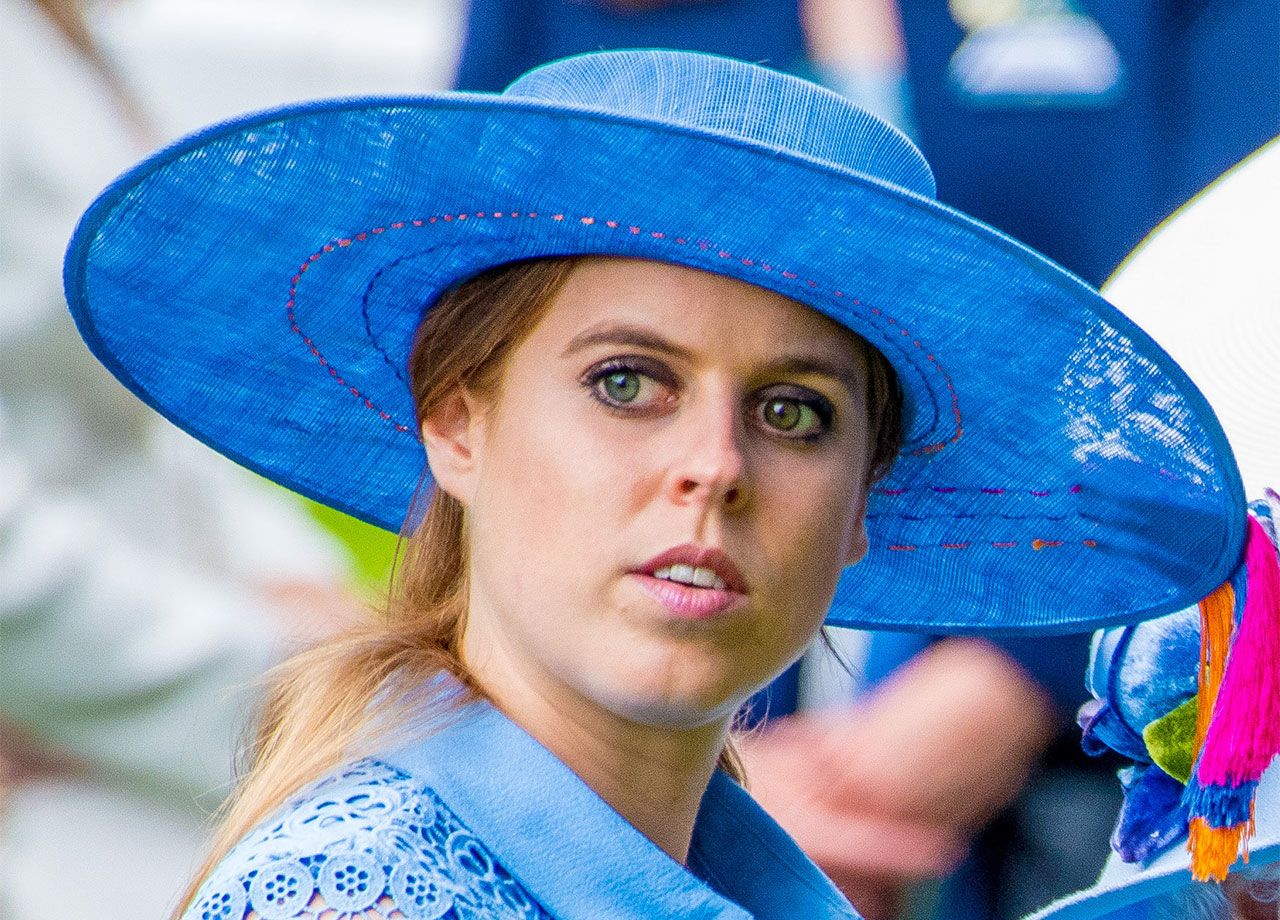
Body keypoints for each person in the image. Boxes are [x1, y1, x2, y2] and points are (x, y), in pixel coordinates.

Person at [62, 49, 1248, 918]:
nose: (714, 467)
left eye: (795, 411)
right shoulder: (366, 896)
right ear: (455, 419)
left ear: (861, 509)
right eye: (628, 382)